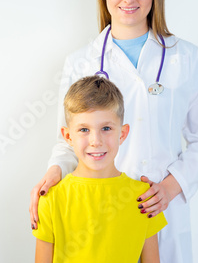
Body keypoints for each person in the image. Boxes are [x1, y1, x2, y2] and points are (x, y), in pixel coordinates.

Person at [30, 0, 198, 263]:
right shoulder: (81, 61)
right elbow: (67, 139)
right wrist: (53, 173)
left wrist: (171, 188)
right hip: (99, 211)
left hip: (161, 208)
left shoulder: (185, 57)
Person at [32, 75, 167, 263]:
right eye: (84, 130)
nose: (96, 141)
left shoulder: (144, 198)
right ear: (68, 136)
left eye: (106, 128)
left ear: (123, 133)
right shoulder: (51, 199)